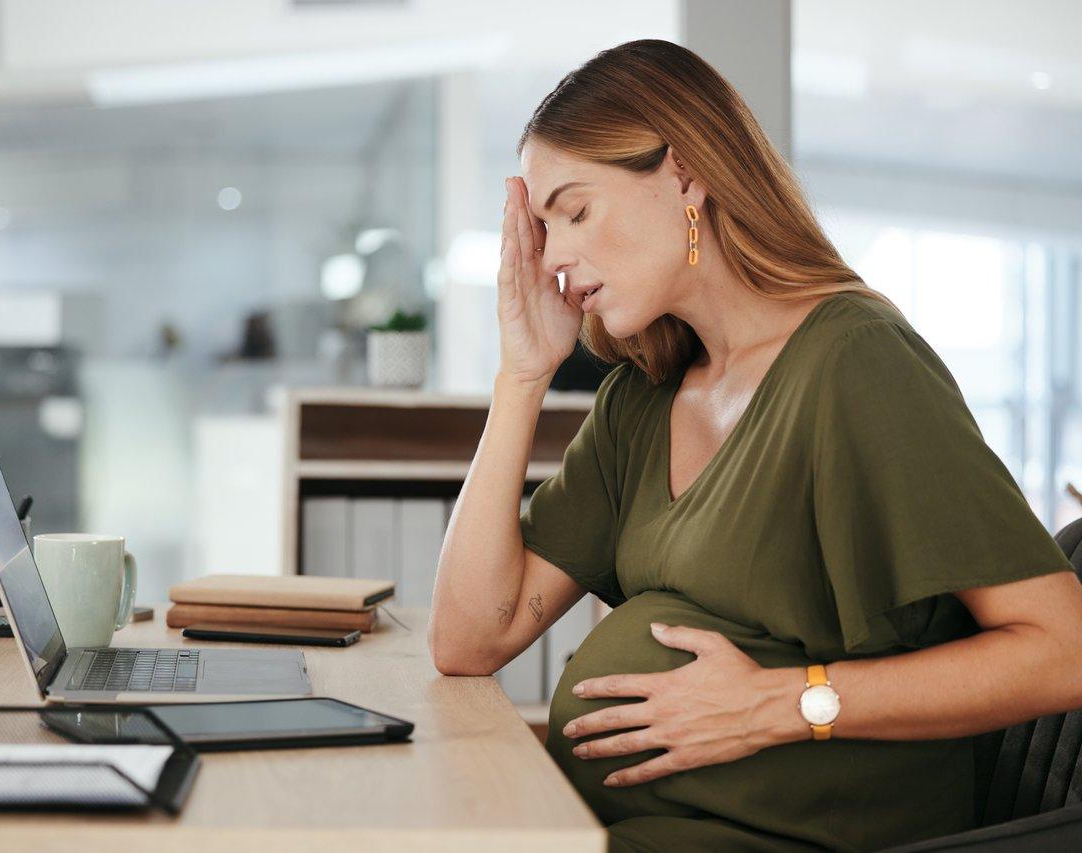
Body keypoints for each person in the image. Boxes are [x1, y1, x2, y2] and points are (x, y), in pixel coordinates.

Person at [426, 38, 1082, 853]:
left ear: (687, 173)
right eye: (542, 227)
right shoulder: (643, 396)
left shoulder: (856, 360)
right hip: (616, 825)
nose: (554, 257)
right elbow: (467, 639)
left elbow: (1063, 651)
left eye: (576, 210)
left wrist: (778, 703)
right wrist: (522, 375)